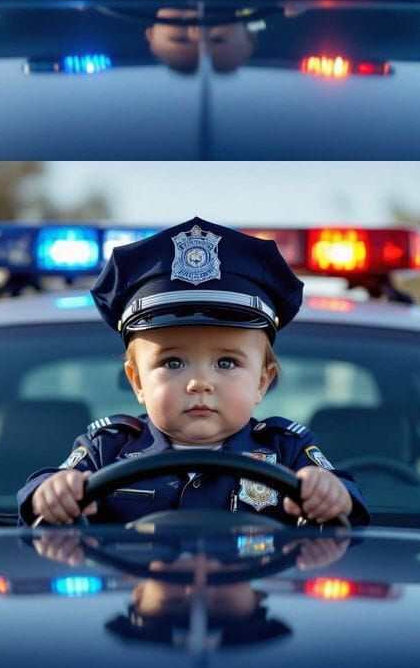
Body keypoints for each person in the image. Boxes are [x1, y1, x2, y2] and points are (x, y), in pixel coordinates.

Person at [18, 217, 370, 527]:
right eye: (173, 363)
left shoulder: (288, 451)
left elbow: (346, 504)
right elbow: (44, 495)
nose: (199, 383)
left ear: (262, 381)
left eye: (226, 363)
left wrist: (330, 493)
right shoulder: (105, 450)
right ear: (137, 381)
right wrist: (51, 493)